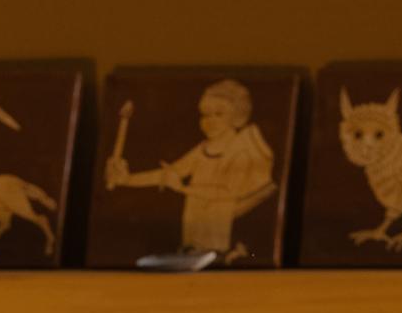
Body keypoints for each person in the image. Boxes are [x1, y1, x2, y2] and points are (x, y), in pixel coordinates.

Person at [105, 78, 276, 260]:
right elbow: (170, 173)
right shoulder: (203, 149)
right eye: (205, 115)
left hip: (220, 235)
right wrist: (128, 180)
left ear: (237, 116)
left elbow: (228, 192)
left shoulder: (241, 150)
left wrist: (182, 188)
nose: (210, 121)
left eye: (219, 114)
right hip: (194, 230)